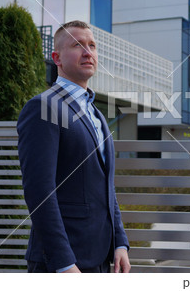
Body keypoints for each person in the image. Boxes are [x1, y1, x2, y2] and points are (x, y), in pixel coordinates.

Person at [17, 20, 130, 273]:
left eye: (92, 45)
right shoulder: (43, 107)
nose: (88, 52)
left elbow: (104, 185)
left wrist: (120, 243)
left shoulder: (97, 114)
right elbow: (39, 191)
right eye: (78, 45)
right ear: (57, 57)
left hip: (101, 260)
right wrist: (64, 263)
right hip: (61, 264)